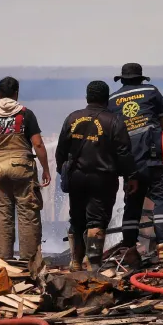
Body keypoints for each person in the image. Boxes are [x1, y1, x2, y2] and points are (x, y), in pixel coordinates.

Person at [56, 81, 136, 270]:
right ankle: (93, 264)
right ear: (106, 99)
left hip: (76, 177)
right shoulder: (114, 121)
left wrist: (63, 170)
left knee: (76, 219)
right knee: (96, 221)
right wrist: (130, 176)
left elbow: (61, 150)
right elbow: (124, 153)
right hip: (103, 179)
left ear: (87, 97)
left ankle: (75, 262)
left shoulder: (72, 118)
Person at [0, 77, 51, 261]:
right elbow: (38, 144)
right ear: (16, 94)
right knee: (27, 213)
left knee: (3, 213)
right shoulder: (26, 114)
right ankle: (29, 261)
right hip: (23, 170)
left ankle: (2, 261)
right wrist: (46, 169)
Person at [108, 63, 163, 263]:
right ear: (141, 78)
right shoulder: (151, 91)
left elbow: (113, 135)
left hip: (129, 163)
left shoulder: (112, 100)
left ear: (123, 79)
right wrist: (162, 145)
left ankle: (129, 249)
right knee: (162, 198)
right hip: (153, 158)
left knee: (132, 204)